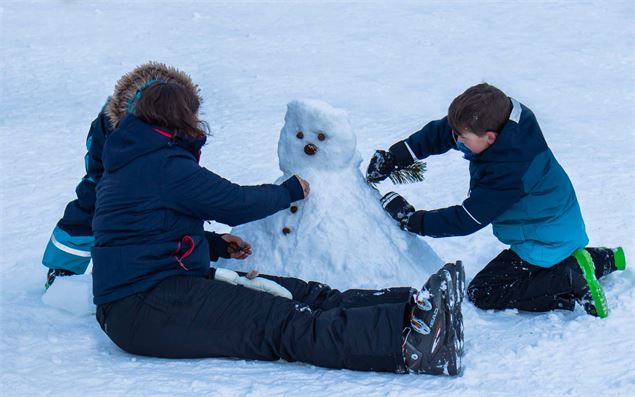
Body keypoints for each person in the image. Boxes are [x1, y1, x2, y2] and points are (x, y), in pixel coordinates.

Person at [90, 62, 464, 375]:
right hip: (140, 307)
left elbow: (143, 232)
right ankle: (411, 346)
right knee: (281, 321)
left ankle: (412, 309)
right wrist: (289, 192)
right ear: (178, 116)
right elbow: (232, 202)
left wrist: (214, 244)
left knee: (301, 294)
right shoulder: (159, 163)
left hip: (161, 287)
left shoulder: (139, 158)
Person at [367, 83, 626, 318]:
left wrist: (413, 221)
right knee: (544, 257)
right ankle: (604, 259)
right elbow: (445, 133)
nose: (457, 141)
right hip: (558, 221)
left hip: (541, 236)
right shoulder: (501, 120)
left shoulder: (510, 171)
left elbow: (467, 219)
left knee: (484, 292)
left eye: (463, 139)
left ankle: (570, 277)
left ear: (490, 137)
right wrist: (397, 156)